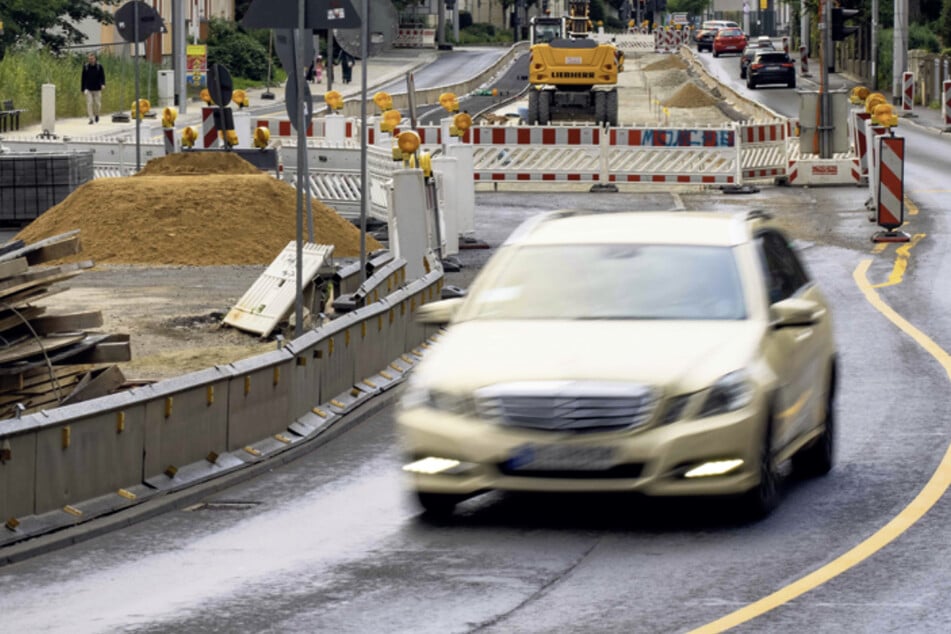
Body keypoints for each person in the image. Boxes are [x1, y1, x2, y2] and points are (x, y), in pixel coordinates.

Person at [81, 52, 106, 124]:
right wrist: (83, 89)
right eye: (89, 59)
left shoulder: (99, 66)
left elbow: (102, 76)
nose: (90, 60)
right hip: (88, 89)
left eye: (92, 58)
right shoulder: (86, 67)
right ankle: (91, 119)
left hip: (97, 88)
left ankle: (97, 115)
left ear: (95, 59)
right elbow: (83, 78)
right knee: (89, 103)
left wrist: (103, 84)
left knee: (98, 104)